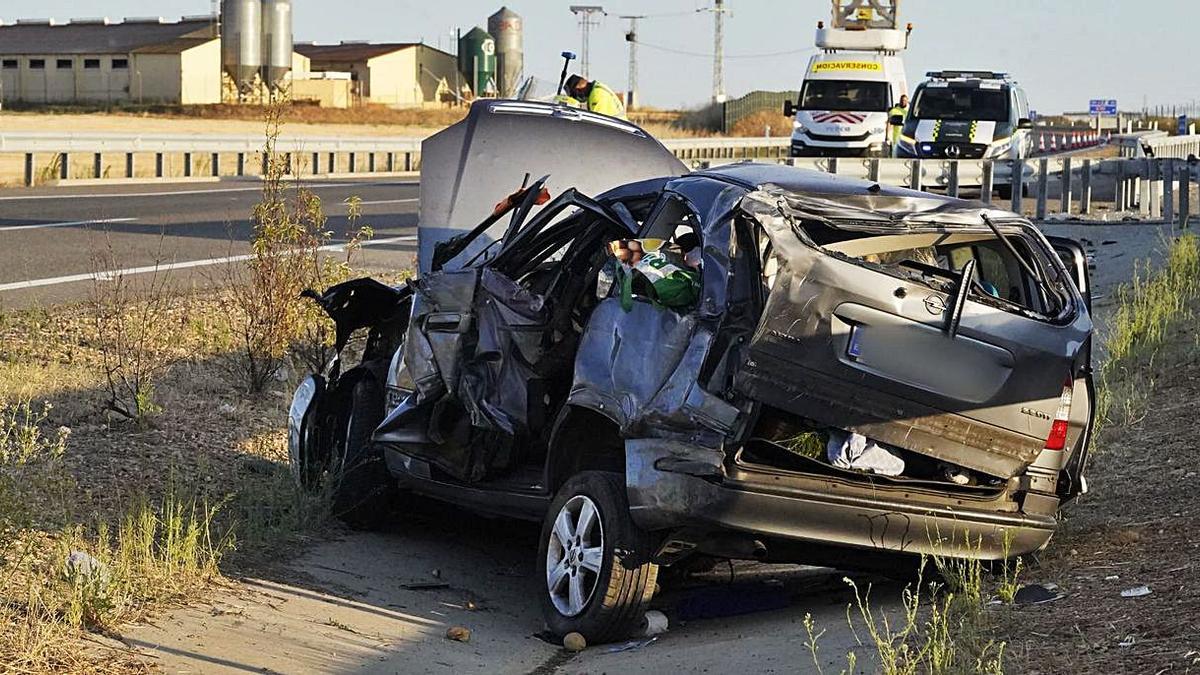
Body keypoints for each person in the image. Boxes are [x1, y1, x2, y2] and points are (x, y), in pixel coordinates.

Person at [563, 74, 627, 119]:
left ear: (579, 89)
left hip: (618, 132)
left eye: (574, 95)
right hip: (616, 129)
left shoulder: (597, 95)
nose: (576, 98)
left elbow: (596, 122)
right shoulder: (596, 89)